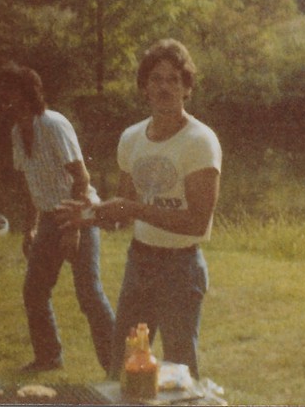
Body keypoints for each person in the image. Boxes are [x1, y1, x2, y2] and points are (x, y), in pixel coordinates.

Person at [58, 39, 222, 381]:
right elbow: (123, 211)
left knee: (179, 372)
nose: (164, 87)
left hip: (181, 267)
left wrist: (134, 208)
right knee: (123, 366)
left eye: (174, 79)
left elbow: (197, 222)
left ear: (187, 88)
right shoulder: (131, 138)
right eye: (156, 79)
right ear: (144, 87)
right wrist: (92, 213)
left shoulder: (200, 141)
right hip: (140, 262)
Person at [2, 62, 115, 374]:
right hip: (50, 219)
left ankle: (117, 364)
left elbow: (82, 177)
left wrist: (74, 228)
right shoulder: (17, 132)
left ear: (26, 95)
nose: (3, 99)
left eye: (8, 92)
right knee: (34, 291)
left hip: (80, 213)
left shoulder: (53, 125)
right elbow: (31, 184)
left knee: (89, 294)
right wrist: (31, 227)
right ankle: (49, 357)